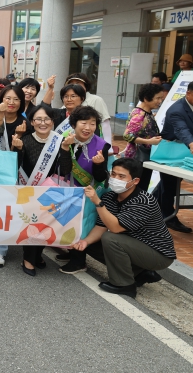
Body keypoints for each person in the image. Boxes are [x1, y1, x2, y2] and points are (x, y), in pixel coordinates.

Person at [73, 158, 176, 299]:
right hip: (135, 245)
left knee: (110, 239)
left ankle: (125, 285)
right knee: (90, 241)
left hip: (158, 253)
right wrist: (85, 242)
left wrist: (97, 202)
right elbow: (101, 226)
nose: (115, 179)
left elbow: (115, 228)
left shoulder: (144, 201)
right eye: (113, 174)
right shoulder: (110, 197)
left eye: (122, 176)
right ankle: (140, 272)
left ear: (135, 181)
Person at [57, 106, 111, 274]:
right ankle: (71, 251)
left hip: (89, 191)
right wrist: (65, 148)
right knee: (68, 222)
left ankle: (78, 261)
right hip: (69, 188)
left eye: (92, 123)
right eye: (84, 123)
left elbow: (101, 177)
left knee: (82, 225)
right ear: (74, 124)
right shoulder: (65, 138)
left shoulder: (101, 145)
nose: (88, 127)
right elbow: (64, 170)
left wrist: (98, 165)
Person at [11, 105, 64, 276]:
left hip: (51, 189)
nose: (43, 123)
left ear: (53, 121)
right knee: (32, 223)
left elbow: (66, 169)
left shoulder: (60, 141)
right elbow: (15, 166)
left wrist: (65, 150)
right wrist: (18, 149)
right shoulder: (25, 140)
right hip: (28, 189)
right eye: (38, 119)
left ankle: (38, 254)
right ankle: (28, 259)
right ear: (32, 122)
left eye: (47, 119)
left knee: (45, 224)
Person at [154, 80, 193, 233]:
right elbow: (182, 130)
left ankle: (152, 206)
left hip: (184, 152)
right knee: (169, 185)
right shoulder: (176, 110)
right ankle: (168, 217)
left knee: (168, 184)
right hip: (170, 153)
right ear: (188, 93)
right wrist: (191, 143)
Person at [122, 83, 165, 192]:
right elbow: (127, 135)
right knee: (138, 190)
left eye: (161, 98)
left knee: (140, 189)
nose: (160, 101)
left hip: (142, 158)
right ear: (146, 98)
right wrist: (149, 141)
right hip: (137, 159)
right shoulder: (139, 115)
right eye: (157, 98)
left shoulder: (146, 113)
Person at [65, 73, 112, 145]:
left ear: (85, 86)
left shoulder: (96, 100)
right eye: (71, 84)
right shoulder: (68, 101)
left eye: (78, 83)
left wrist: (108, 145)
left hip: (92, 141)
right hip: (72, 142)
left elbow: (105, 123)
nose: (74, 86)